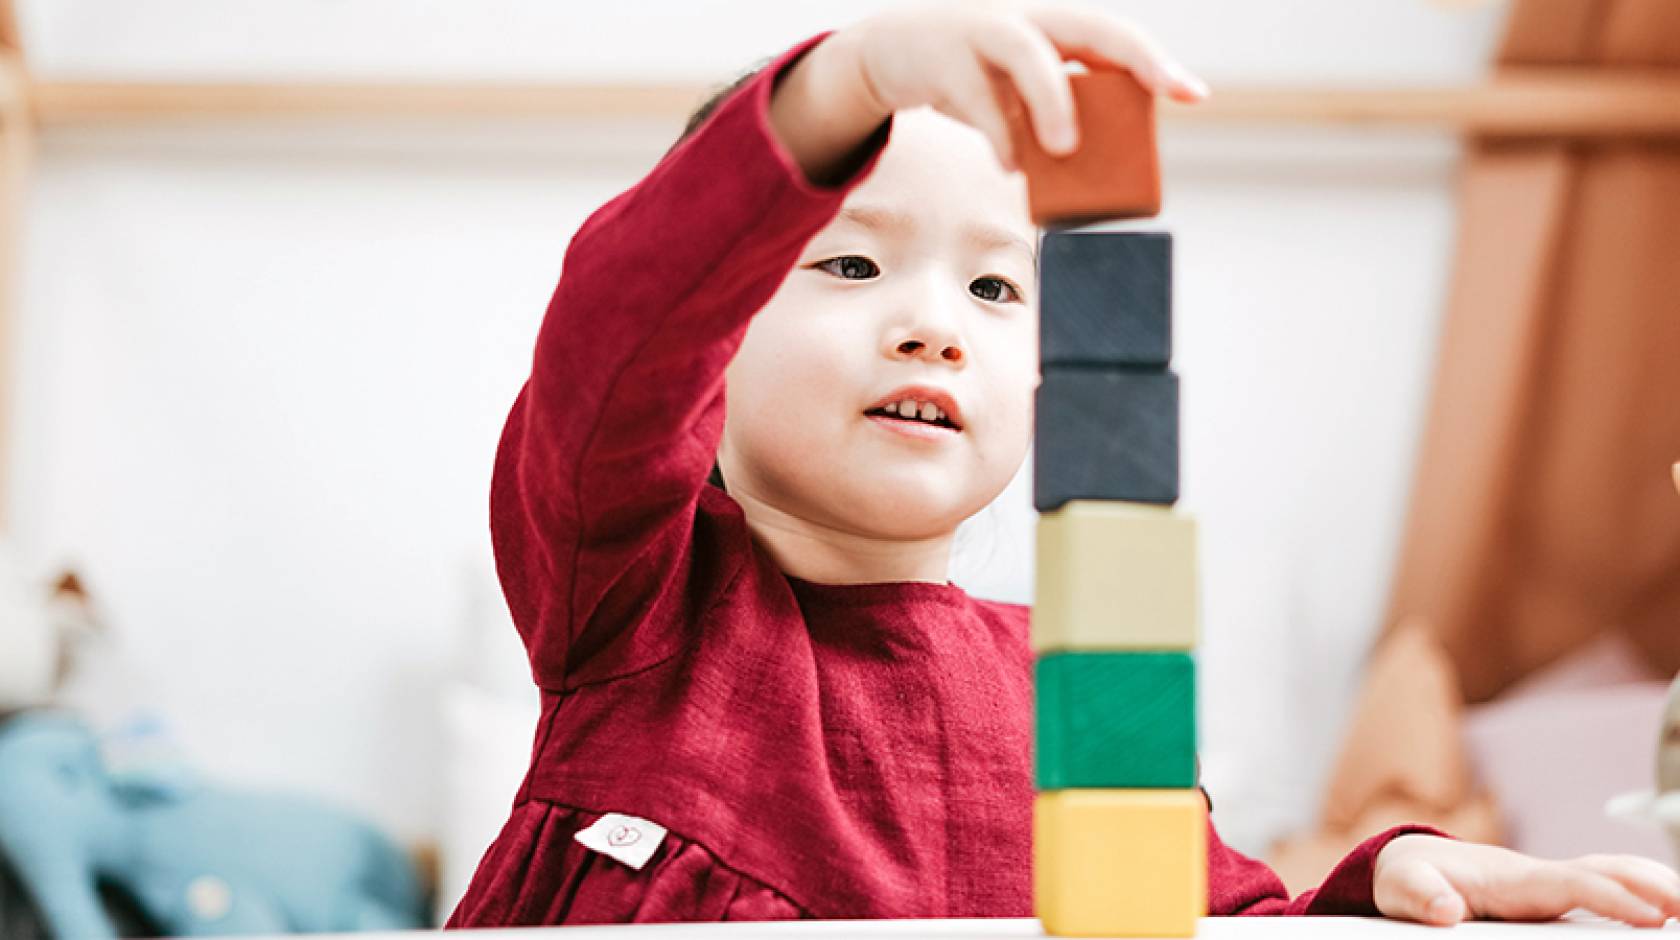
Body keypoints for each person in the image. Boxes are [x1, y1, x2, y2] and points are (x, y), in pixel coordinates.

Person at [446, 5, 1680, 929]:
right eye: (851, 265)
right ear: (713, 341)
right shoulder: (633, 606)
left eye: (994, 285)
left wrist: (1371, 888)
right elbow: (619, 328)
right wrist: (854, 80)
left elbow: (1201, 915)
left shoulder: (1077, 688)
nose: (934, 325)